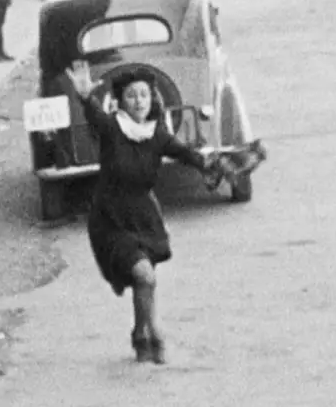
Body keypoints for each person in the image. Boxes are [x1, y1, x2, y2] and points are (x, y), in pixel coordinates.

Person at [63, 61, 229, 365]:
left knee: (145, 281)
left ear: (152, 99)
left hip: (143, 217)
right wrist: (86, 96)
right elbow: (95, 115)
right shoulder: (112, 128)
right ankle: (154, 331)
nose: (139, 101)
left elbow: (189, 156)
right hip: (110, 219)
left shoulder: (158, 135)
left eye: (144, 95)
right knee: (145, 276)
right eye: (131, 96)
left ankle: (140, 333)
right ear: (121, 102)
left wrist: (215, 165)